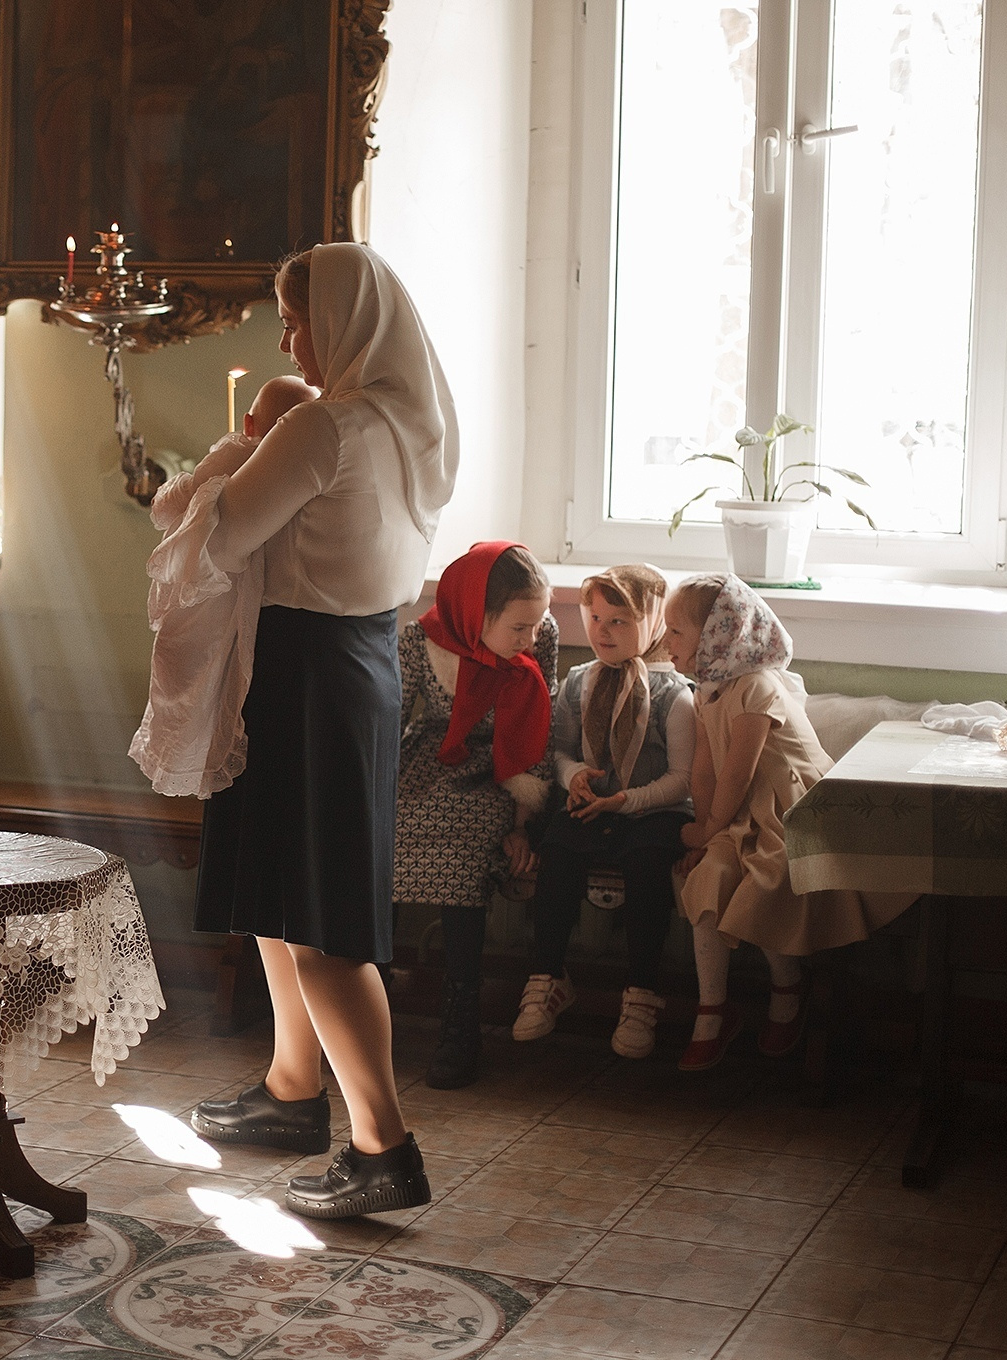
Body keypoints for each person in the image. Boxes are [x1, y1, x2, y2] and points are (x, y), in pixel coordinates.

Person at [169, 242, 458, 1221]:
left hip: (304, 671)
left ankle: (384, 1147)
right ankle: (293, 1089)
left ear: (341, 322)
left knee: (325, 925)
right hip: (357, 663)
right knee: (283, 898)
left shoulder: (326, 427)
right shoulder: (407, 426)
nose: (289, 343)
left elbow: (221, 534)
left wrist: (226, 458)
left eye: (297, 323)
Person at [664, 574, 913, 1070]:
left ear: (716, 635)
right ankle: (713, 1007)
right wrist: (705, 832)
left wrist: (709, 828)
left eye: (675, 631)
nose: (665, 641)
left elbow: (740, 773)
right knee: (708, 878)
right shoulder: (704, 692)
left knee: (767, 880)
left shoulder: (757, 688)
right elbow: (705, 772)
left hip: (793, 811)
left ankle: (788, 985)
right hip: (741, 816)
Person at [393, 542, 557, 1089]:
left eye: (536, 625)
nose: (530, 639)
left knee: (464, 860)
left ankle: (460, 1024)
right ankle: (367, 1005)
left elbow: (537, 732)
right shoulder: (421, 640)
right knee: (380, 847)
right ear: (476, 615)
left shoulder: (540, 637)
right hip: (430, 760)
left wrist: (522, 824)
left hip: (500, 769)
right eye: (518, 627)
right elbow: (389, 721)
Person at [514, 565, 694, 1059]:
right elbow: (559, 750)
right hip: (595, 803)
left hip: (655, 808)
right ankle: (548, 975)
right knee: (558, 848)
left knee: (647, 863)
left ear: (652, 622)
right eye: (595, 618)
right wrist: (573, 775)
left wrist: (626, 800)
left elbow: (682, 779)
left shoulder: (674, 694)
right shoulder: (579, 683)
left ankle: (642, 990)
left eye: (619, 620)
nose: (602, 631)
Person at [131, 375, 319, 798]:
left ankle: (192, 750)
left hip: (214, 592)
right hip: (227, 595)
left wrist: (181, 484)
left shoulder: (237, 450)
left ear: (249, 422)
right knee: (209, 675)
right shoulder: (287, 464)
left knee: (192, 670)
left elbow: (168, 505)